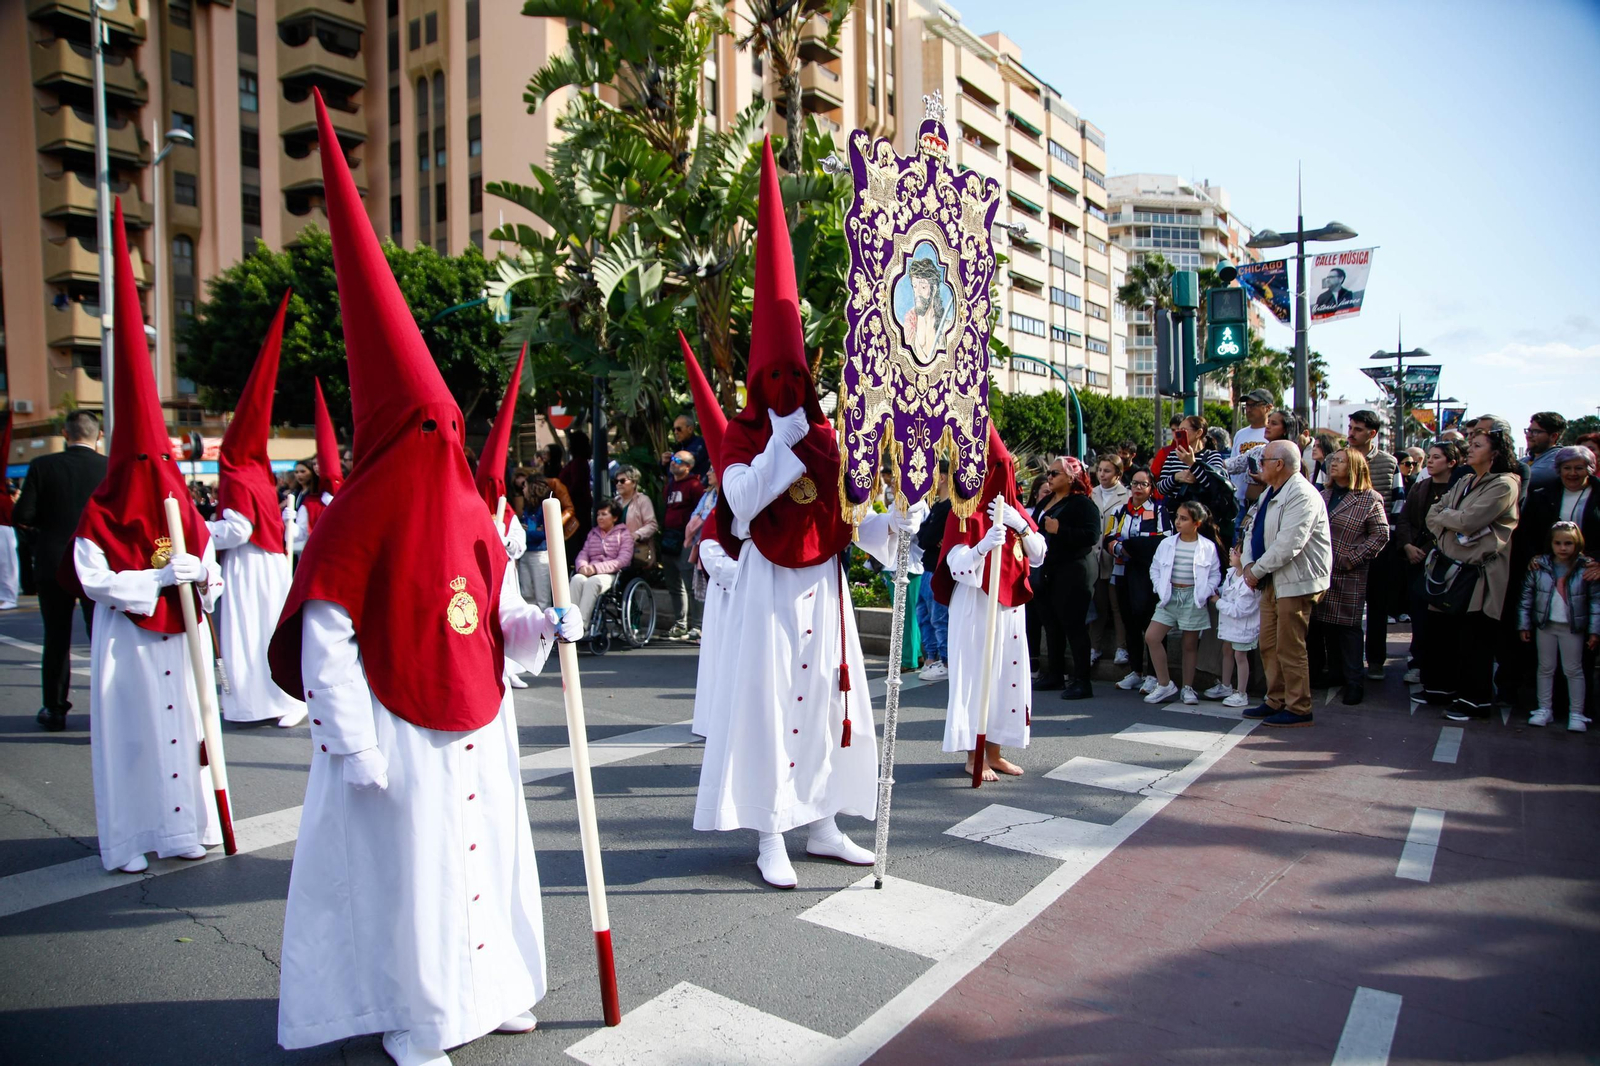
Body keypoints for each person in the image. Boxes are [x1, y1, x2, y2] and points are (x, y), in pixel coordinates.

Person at [269, 96, 579, 1063]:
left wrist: (545, 627)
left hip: (477, 719)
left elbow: (496, 612)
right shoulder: (358, 512)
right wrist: (354, 746)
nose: (445, 440)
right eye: (430, 427)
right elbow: (327, 635)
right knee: (415, 879)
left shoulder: (470, 510)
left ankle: (492, 988)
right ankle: (414, 1014)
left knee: (487, 864)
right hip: (399, 728)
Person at [693, 140, 922, 890]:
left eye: (798, 374)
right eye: (776, 375)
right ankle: (770, 831)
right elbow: (742, 501)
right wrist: (784, 443)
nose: (789, 384)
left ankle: (821, 820)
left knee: (827, 699)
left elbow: (854, 511)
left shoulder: (827, 437)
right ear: (759, 378)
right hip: (765, 584)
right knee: (766, 705)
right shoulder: (747, 431)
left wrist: (899, 525)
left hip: (825, 585)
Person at [74, 200, 223, 873]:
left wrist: (200, 576)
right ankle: (131, 839)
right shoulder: (102, 511)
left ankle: (182, 828)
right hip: (130, 640)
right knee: (135, 738)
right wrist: (154, 579)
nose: (152, 474)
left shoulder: (180, 500)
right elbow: (93, 576)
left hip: (179, 635)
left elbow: (209, 560)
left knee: (182, 733)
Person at [207, 291, 308, 727]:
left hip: (249, 564)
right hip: (267, 564)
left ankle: (262, 702)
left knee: (249, 632)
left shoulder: (236, 475)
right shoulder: (260, 474)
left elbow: (239, 527)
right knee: (265, 630)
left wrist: (199, 528)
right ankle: (276, 699)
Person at [933, 424, 1046, 780]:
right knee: (976, 675)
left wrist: (1022, 527)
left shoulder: (1016, 509)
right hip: (976, 604)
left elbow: (1040, 554)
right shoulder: (963, 510)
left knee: (1005, 676)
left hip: (1010, 608)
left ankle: (995, 751)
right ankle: (974, 755)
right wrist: (982, 547)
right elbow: (954, 563)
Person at [1419, 417, 1521, 721]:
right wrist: (1452, 517)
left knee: (1475, 638)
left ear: (1495, 451)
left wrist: (1449, 517)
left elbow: (1468, 522)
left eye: (1477, 445)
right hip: (1450, 568)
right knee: (1444, 634)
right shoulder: (1464, 481)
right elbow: (1432, 514)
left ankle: (1475, 700)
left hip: (1480, 575)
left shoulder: (1504, 484)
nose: (1470, 450)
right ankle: (1444, 690)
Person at [14, 409, 106, 731]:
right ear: (98, 435)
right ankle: (109, 707)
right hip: (100, 565)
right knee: (104, 638)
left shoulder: (43, 466)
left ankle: (54, 708)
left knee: (56, 638)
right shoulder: (109, 468)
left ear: (66, 435)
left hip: (54, 560)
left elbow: (23, 513)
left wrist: (42, 533)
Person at [1240, 440, 1333, 728]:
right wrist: (1247, 564)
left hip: (1295, 581)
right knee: (1268, 643)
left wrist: (1256, 570)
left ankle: (1299, 706)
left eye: (1264, 460)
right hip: (1271, 578)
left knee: (1289, 646)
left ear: (1279, 464)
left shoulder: (1303, 494)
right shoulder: (1269, 492)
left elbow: (1288, 544)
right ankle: (1275, 698)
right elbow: (1250, 529)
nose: (1260, 466)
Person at [1308, 450, 1390, 705]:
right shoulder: (1322, 495)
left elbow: (1380, 535)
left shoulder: (1369, 499)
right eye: (1332, 460)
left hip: (1348, 573)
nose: (1333, 464)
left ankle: (1355, 682)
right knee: (1320, 626)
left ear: (1354, 466)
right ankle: (1331, 674)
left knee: (1348, 629)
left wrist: (1352, 558)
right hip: (1321, 571)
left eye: (1340, 461)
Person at [1031, 456, 1101, 699]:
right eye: (1049, 473)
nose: (1049, 478)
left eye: (1055, 474)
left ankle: (1082, 680)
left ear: (1071, 477)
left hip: (1073, 570)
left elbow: (1092, 535)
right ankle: (1055, 673)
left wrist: (1061, 529)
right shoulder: (1048, 500)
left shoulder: (1082, 503)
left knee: (1074, 625)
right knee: (1051, 624)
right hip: (1048, 570)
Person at [1395, 440, 1463, 683]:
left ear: (1452, 462)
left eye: (1437, 457)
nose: (1430, 462)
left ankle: (1439, 667)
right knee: (1419, 614)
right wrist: (1407, 545)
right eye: (1430, 457)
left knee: (1441, 618)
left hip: (1445, 561)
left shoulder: (1459, 490)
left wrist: (1425, 549)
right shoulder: (1420, 487)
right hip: (1415, 560)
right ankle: (1418, 661)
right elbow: (1404, 519)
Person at [1519, 521, 1598, 731]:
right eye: (1558, 543)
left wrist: (1594, 631)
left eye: (1568, 543)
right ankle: (1544, 708)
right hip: (1546, 625)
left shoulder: (1585, 568)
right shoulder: (1540, 566)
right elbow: (1527, 598)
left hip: (1572, 628)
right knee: (1545, 668)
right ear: (1551, 544)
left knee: (1573, 670)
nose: (1563, 548)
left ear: (1577, 544)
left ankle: (1577, 713)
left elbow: (1595, 602)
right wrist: (1524, 624)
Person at [1142, 501, 1223, 705]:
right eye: (1177, 517)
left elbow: (1215, 574)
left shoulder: (1207, 546)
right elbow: (1155, 568)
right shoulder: (1167, 543)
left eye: (1184, 518)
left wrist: (1204, 593)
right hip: (1169, 596)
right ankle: (1164, 683)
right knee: (1152, 636)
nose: (1178, 521)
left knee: (1189, 644)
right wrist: (1159, 587)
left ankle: (1188, 688)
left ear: (1196, 523)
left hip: (1192, 597)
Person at [1344, 409, 1399, 682]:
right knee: (1342, 605)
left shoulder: (1389, 463)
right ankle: (1344, 662)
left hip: (1377, 546)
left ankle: (1375, 660)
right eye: (1350, 427)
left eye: (1358, 429)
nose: (1351, 433)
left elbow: (1398, 504)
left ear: (1372, 433)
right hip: (1343, 544)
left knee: (1377, 606)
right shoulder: (1336, 459)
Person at [1107, 468, 1171, 694]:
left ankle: (1155, 674)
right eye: (1134, 483)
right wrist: (1118, 548)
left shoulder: (1159, 510)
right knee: (1129, 623)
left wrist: (1135, 546)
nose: (1137, 488)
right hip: (1122, 572)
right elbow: (1110, 537)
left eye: (1143, 484)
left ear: (1151, 488)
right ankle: (1136, 671)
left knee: (1150, 623)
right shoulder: (1120, 511)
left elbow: (1164, 538)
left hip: (1147, 575)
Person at [1157, 414, 1237, 547]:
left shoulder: (1212, 456)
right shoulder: (1173, 455)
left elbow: (1214, 487)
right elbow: (1161, 487)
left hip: (1203, 520)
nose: (1178, 435)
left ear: (1199, 433)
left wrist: (1192, 464)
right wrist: (1176, 477)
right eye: (1177, 431)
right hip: (1176, 519)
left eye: (1183, 431)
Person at [1209, 541, 1262, 709]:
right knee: (1227, 650)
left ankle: (1241, 692)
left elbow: (1239, 610)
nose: (1231, 554)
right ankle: (1226, 685)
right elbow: (1226, 591)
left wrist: (1218, 602)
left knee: (1240, 656)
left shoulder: (1248, 583)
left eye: (1236, 553)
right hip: (1230, 625)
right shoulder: (1231, 573)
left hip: (1243, 626)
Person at [569, 500, 635, 633]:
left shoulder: (623, 534)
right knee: (577, 579)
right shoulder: (593, 534)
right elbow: (584, 553)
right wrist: (582, 566)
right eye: (598, 514)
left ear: (614, 518)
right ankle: (569, 622)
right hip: (590, 570)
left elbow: (623, 560)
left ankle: (580, 626)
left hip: (610, 574)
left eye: (604, 514)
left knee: (593, 582)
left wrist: (596, 569)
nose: (600, 517)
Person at [1091, 453, 1131, 667]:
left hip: (1115, 559)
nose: (1102, 475)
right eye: (1100, 470)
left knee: (1117, 606)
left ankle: (1121, 647)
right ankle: (1094, 647)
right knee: (1097, 606)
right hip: (1095, 558)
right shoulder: (1091, 493)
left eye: (1107, 471)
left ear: (1118, 473)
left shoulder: (1126, 495)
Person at [662, 449, 706, 640]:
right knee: (673, 584)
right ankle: (681, 623)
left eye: (678, 460)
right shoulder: (670, 486)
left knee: (690, 583)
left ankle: (697, 625)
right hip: (669, 538)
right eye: (672, 459)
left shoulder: (694, 486)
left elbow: (699, 512)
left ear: (688, 466)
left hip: (687, 539)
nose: (673, 463)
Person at [916, 463, 953, 681]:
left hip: (937, 569)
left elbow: (927, 537)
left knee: (939, 618)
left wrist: (931, 538)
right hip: (926, 567)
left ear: (941, 477)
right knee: (924, 616)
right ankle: (931, 658)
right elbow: (923, 537)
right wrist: (929, 537)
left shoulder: (949, 507)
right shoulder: (937, 506)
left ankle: (946, 661)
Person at [1229, 389, 1275, 503]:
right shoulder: (1240, 434)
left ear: (1268, 408)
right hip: (1239, 501)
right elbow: (1232, 464)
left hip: (1265, 501)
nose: (1248, 410)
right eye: (1247, 406)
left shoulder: (1273, 434)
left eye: (1253, 405)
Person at [560, 429, 594, 559]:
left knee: (576, 539)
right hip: (578, 505)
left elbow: (576, 485)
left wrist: (565, 498)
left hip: (576, 507)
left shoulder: (578, 463)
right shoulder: (579, 462)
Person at [1523, 412, 1567, 496]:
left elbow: (1528, 479)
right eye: (1529, 431)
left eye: (1535, 432)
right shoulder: (1526, 460)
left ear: (1554, 436)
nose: (1528, 435)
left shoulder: (1559, 458)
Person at [661, 413, 711, 479]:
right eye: (674, 430)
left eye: (679, 429)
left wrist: (672, 458)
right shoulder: (679, 447)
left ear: (690, 429)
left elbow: (682, 463)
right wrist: (663, 462)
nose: (676, 432)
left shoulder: (699, 444)